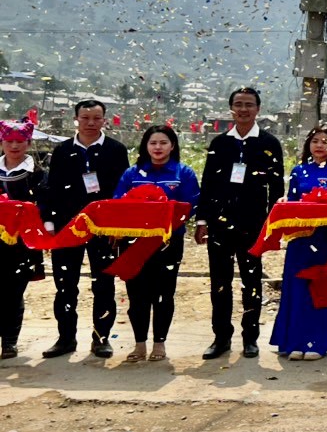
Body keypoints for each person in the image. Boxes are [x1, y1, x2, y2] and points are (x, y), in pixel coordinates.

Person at [195, 87, 286, 361]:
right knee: (219, 282)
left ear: (258, 109)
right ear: (231, 108)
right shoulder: (220, 143)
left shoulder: (269, 143)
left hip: (253, 224)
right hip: (220, 224)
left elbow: (276, 187)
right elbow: (208, 183)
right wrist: (202, 219)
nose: (243, 109)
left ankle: (250, 338)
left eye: (249, 104)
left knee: (251, 281)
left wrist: (273, 223)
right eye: (238, 104)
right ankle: (221, 337)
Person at [42, 99, 130, 359]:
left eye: (96, 118)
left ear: (104, 120)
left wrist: (119, 226)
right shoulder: (62, 150)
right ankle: (65, 338)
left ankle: (101, 338)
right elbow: (51, 188)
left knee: (104, 283)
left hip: (104, 229)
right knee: (65, 284)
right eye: (85, 118)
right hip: (67, 227)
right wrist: (50, 223)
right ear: (76, 119)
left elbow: (122, 190)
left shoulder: (115, 150)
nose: (91, 123)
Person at [113, 125, 200, 362]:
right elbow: (118, 203)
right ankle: (139, 344)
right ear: (146, 146)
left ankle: (159, 343)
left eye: (163, 143)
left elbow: (191, 206)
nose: (158, 147)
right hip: (134, 242)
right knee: (136, 294)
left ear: (172, 146)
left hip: (168, 243)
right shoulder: (132, 174)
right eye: (153, 143)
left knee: (164, 293)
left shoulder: (184, 173)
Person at [271, 124, 327, 361]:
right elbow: (293, 200)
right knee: (297, 288)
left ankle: (318, 343)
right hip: (300, 239)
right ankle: (294, 342)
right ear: (308, 144)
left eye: (325, 141)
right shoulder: (298, 171)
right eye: (315, 141)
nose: (320, 146)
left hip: (326, 240)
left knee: (320, 288)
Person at [0, 120, 45, 360]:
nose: (14, 146)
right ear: (2, 142)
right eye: (9, 141)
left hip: (23, 242)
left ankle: (9, 341)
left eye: (20, 141)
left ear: (28, 143)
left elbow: (45, 204)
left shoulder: (37, 174)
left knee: (13, 291)